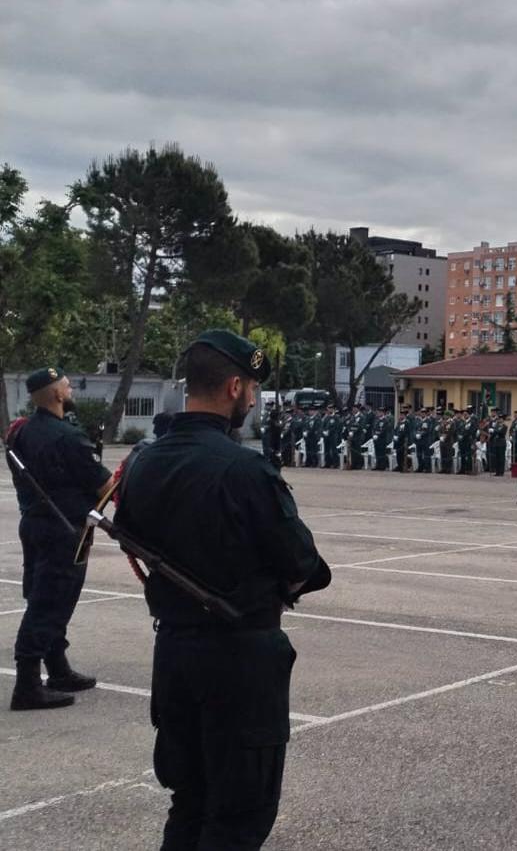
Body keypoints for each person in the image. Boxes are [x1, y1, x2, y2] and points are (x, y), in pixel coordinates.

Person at [117, 330, 330, 848]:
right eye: (251, 388)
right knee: (239, 816)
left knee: (189, 803)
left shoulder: (143, 462)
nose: (253, 400)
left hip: (175, 652)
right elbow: (303, 563)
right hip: (238, 660)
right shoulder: (244, 468)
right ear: (235, 387)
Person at [5, 367, 113, 711]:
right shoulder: (68, 437)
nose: (71, 391)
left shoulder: (21, 433)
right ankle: (27, 686)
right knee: (50, 603)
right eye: (67, 387)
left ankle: (57, 668)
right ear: (56, 394)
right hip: (65, 531)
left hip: (34, 525)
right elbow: (104, 486)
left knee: (46, 598)